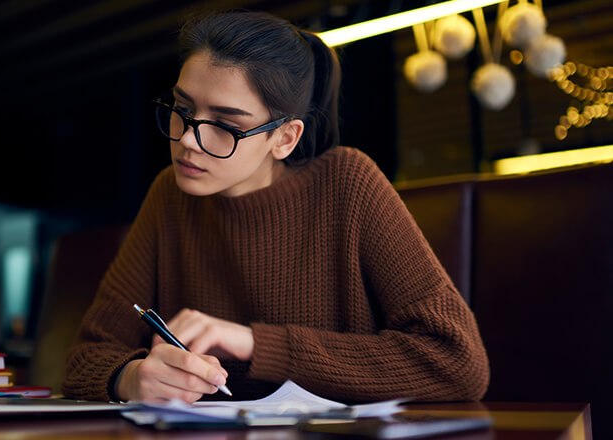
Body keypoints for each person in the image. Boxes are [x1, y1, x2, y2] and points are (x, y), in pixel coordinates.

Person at [62, 11, 489, 404]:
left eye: (226, 125)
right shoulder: (168, 195)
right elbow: (86, 356)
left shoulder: (348, 183)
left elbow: (458, 362)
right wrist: (130, 377)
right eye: (184, 109)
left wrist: (254, 343)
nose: (189, 140)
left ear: (285, 138)